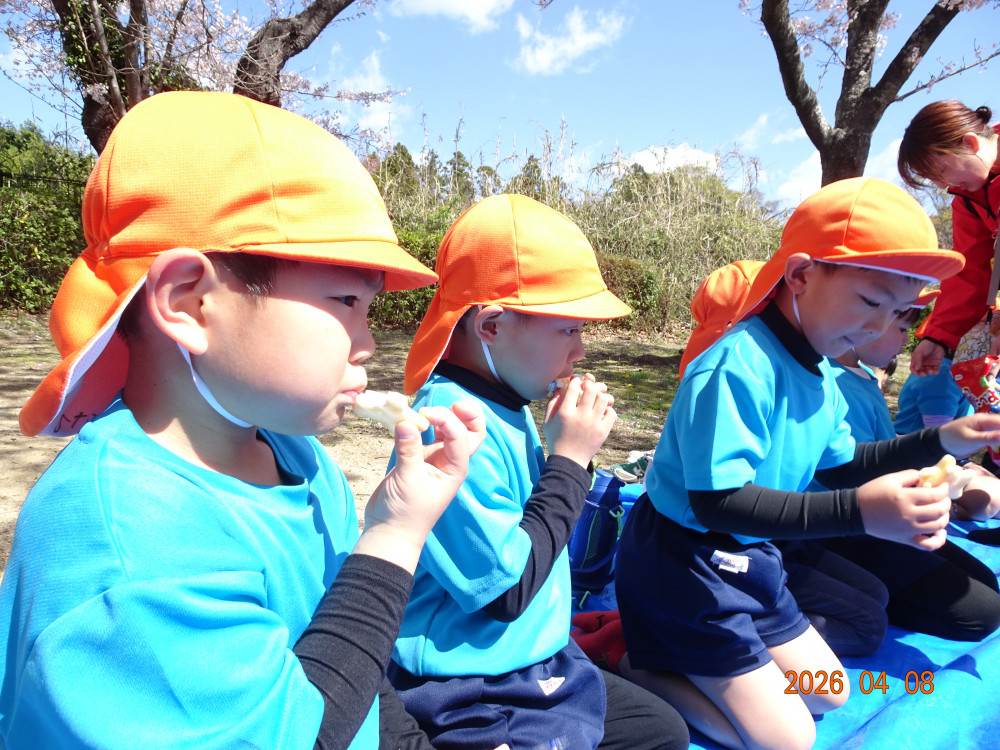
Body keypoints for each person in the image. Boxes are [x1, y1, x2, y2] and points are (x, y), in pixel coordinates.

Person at [0, 91, 489, 749]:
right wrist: (395, 535)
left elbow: (353, 664)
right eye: (347, 300)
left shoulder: (293, 455)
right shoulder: (130, 548)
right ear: (189, 302)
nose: (369, 343)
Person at [614, 177, 1000, 750]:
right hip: (688, 562)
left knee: (830, 693)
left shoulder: (821, 370)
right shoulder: (738, 365)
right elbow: (718, 502)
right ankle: (643, 668)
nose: (879, 328)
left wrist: (939, 439)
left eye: (898, 312)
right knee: (789, 738)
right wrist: (860, 514)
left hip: (755, 556)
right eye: (870, 301)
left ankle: (706, 661)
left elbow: (843, 465)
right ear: (800, 274)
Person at [387, 194, 690, 750]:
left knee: (661, 731)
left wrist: (570, 454)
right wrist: (569, 462)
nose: (580, 351)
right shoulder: (450, 425)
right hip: (471, 681)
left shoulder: (507, 399)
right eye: (568, 329)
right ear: (492, 325)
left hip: (536, 654)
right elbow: (505, 594)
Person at [790, 298, 1000, 649]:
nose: (907, 340)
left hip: (872, 522)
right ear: (863, 322)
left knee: (986, 585)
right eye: (901, 327)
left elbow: (874, 456)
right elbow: (845, 473)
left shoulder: (859, 377)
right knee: (982, 615)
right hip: (848, 530)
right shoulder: (835, 384)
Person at [898, 100, 1000, 376]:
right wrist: (939, 337)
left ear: (970, 143)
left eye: (941, 172)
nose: (944, 186)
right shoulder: (968, 201)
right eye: (933, 179)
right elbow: (969, 273)